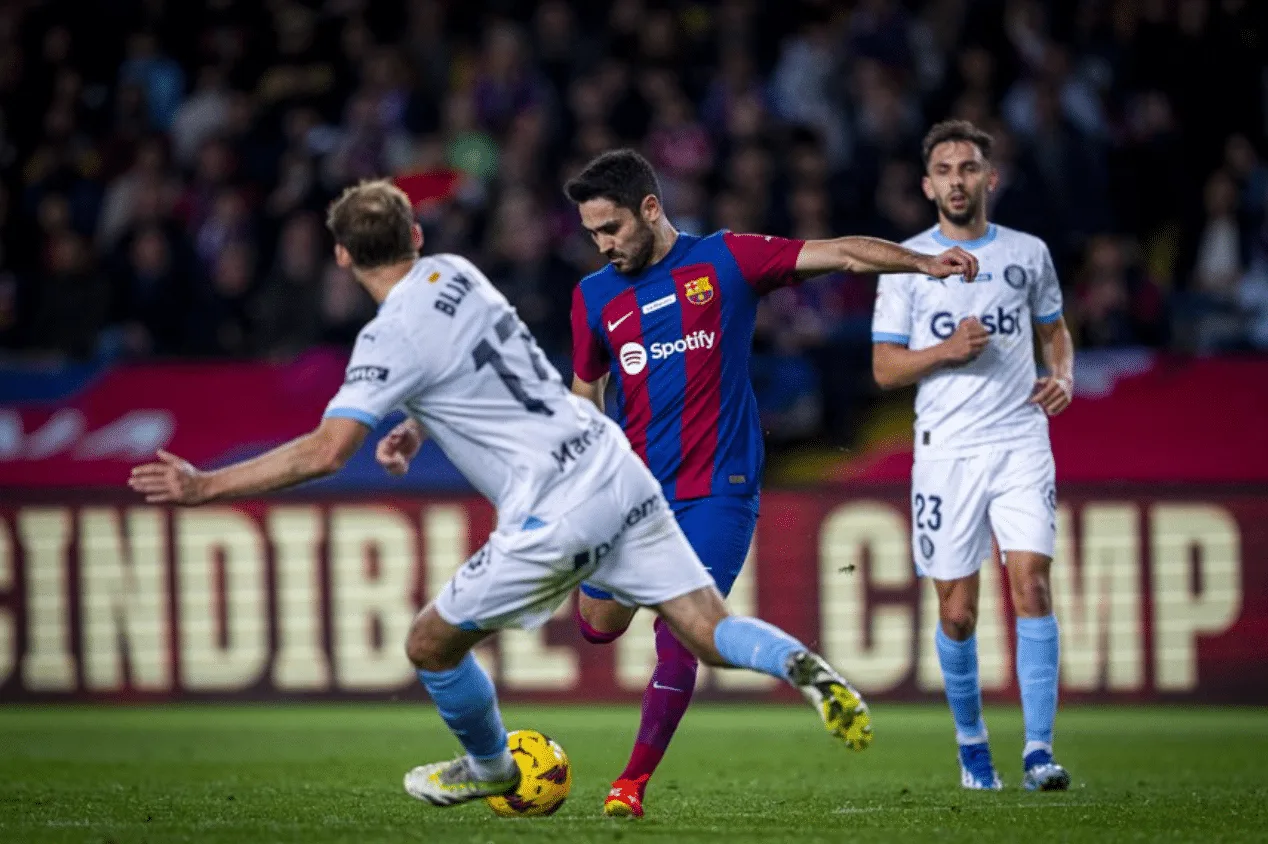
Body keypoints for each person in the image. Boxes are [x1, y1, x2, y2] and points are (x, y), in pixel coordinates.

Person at [128, 179, 873, 808]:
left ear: (343, 255)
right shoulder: (458, 275)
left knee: (430, 643)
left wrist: (205, 485)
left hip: (554, 504)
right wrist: (418, 427)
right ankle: (800, 664)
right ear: (417, 235)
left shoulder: (386, 339)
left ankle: (489, 766)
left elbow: (327, 451)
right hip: (615, 463)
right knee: (704, 628)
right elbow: (478, 369)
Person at [564, 149, 979, 817]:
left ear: (650, 208)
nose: (603, 245)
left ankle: (630, 784)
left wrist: (923, 262)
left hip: (717, 493)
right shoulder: (594, 297)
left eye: (611, 228)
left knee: (687, 632)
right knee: (597, 626)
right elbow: (586, 387)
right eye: (592, 235)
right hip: (631, 497)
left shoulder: (725, 261)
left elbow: (841, 253)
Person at [870, 120, 1075, 791]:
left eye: (968, 167)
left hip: (1019, 440)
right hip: (945, 451)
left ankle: (1039, 751)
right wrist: (946, 352)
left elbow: (1056, 331)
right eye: (945, 170)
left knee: (1032, 583)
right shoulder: (904, 263)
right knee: (957, 610)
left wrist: (1062, 375)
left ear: (990, 178)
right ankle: (972, 746)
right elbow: (885, 369)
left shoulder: (1028, 253)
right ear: (928, 185)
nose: (957, 180)